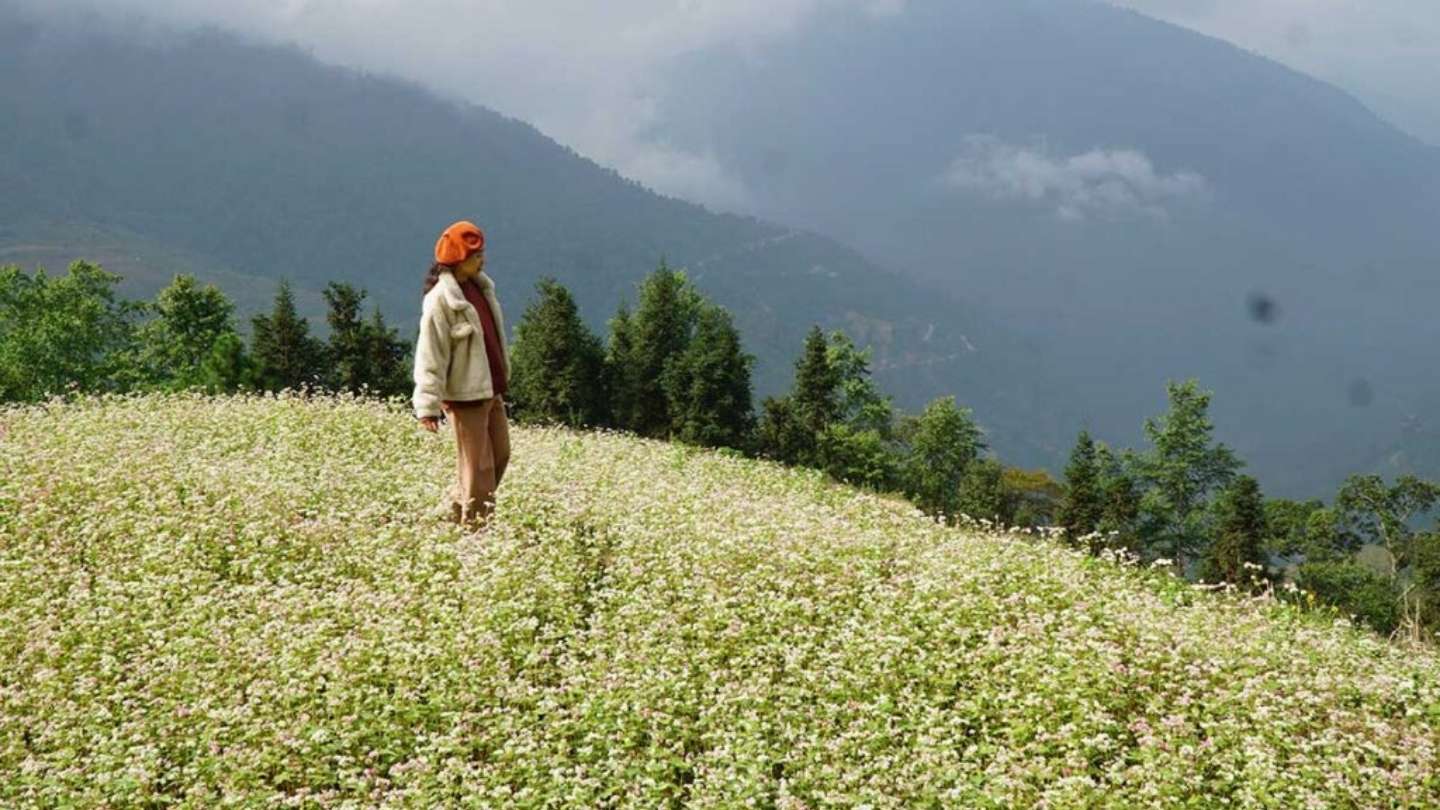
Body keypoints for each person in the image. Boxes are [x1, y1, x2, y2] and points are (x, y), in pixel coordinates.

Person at [412, 220, 511, 530]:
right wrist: (427, 405)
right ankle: (475, 533)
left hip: (490, 390)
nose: (482, 260)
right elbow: (430, 353)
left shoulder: (481, 288)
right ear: (458, 258)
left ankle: (453, 511)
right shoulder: (441, 300)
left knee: (500, 456)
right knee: (478, 469)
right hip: (465, 397)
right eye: (476, 255)